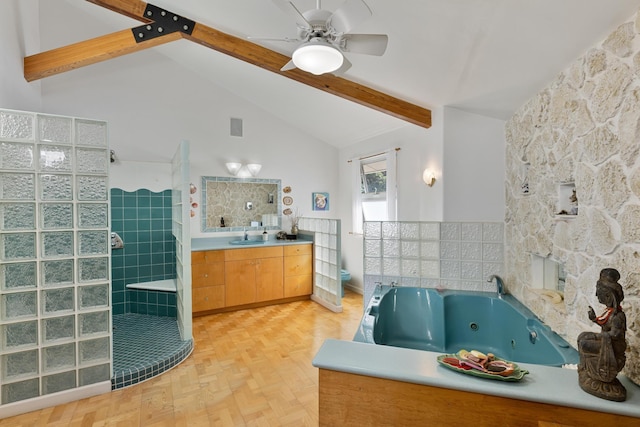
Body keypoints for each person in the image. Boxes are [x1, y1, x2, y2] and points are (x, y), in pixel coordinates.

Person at [577, 268, 627, 401]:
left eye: (599, 292)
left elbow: (615, 334)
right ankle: (585, 369)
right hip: (607, 341)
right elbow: (606, 326)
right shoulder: (609, 313)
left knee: (584, 343)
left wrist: (600, 336)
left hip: (613, 346)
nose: (596, 295)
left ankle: (595, 375)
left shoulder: (618, 316)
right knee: (581, 337)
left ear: (608, 295)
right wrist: (594, 319)